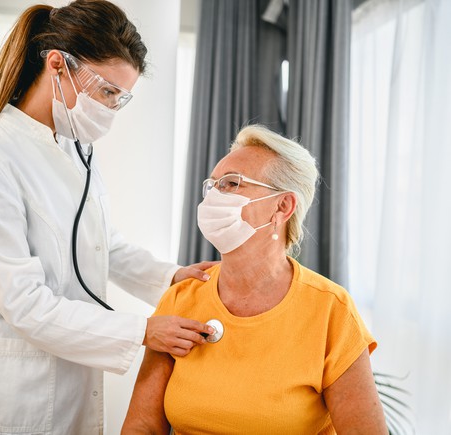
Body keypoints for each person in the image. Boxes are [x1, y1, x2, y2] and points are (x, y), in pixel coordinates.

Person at [0, 1, 215, 433]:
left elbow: (102, 242)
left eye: (119, 99)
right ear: (57, 64)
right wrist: (143, 331)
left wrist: (172, 277)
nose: (110, 108)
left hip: (70, 372)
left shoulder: (74, 145)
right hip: (16, 392)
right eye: (107, 91)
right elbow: (25, 304)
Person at [122, 124, 388, 434]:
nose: (214, 197)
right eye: (213, 185)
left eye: (232, 183)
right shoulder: (181, 298)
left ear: (283, 205)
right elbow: (142, 427)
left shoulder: (331, 310)